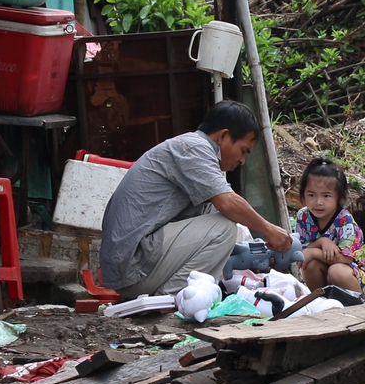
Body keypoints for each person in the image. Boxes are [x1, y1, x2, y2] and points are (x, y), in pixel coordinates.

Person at [99, 100, 293, 301]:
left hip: (134, 266)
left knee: (222, 218)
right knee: (224, 226)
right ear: (224, 136)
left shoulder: (190, 149)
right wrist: (270, 230)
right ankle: (173, 298)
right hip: (134, 268)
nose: (243, 161)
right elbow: (228, 203)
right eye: (243, 150)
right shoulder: (194, 149)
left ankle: (183, 294)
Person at [294, 157, 365, 297]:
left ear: (340, 197)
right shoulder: (303, 216)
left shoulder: (345, 221)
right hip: (325, 270)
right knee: (310, 265)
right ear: (303, 194)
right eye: (311, 195)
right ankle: (323, 302)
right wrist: (322, 242)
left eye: (326, 196)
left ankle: (356, 306)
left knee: (336, 271)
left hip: (355, 275)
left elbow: (347, 258)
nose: (318, 202)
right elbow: (302, 251)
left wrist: (314, 252)